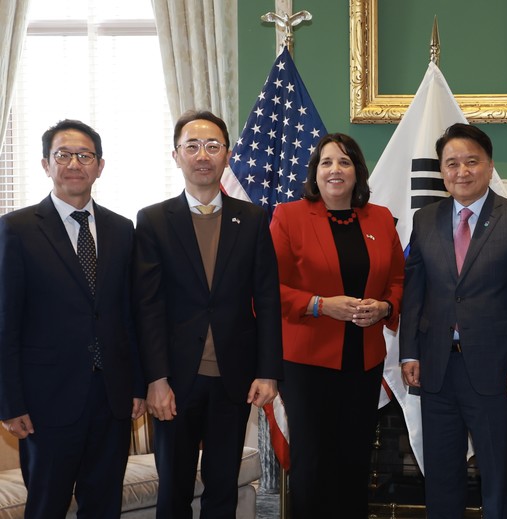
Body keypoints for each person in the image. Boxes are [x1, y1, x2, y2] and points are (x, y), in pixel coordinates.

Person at [133, 110, 283, 518]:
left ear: (227, 155)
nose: (203, 155)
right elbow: (147, 306)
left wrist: (268, 372)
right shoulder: (153, 220)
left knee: (222, 490)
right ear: (176, 155)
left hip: (233, 379)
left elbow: (267, 299)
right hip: (174, 382)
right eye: (193, 146)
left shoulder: (252, 219)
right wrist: (155, 379)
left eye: (213, 146)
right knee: (173, 490)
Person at [0, 119, 145, 517]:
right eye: (63, 155)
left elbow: (129, 315)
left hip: (112, 399)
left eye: (85, 155)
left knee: (104, 507)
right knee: (46, 507)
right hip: (47, 401)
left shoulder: (122, 229)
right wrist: (9, 402)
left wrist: (137, 385)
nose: (74, 164)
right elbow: (6, 321)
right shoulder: (17, 229)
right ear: (46, 164)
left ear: (100, 166)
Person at [400, 123, 507, 518]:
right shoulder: (425, 219)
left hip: (495, 371)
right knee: (441, 476)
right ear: (441, 170)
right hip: (436, 368)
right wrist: (409, 352)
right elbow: (415, 292)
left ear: (490, 165)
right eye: (452, 163)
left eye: (471, 161)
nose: (461, 171)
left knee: (496, 477)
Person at [269, 133, 404, 518]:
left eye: (344, 162)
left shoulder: (380, 217)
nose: (335, 170)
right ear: (315, 172)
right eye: (326, 162)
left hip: (363, 362)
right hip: (307, 364)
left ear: (357, 172)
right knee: (313, 465)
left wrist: (384, 307)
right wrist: (320, 305)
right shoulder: (289, 216)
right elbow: (268, 287)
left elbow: (398, 279)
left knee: (354, 462)